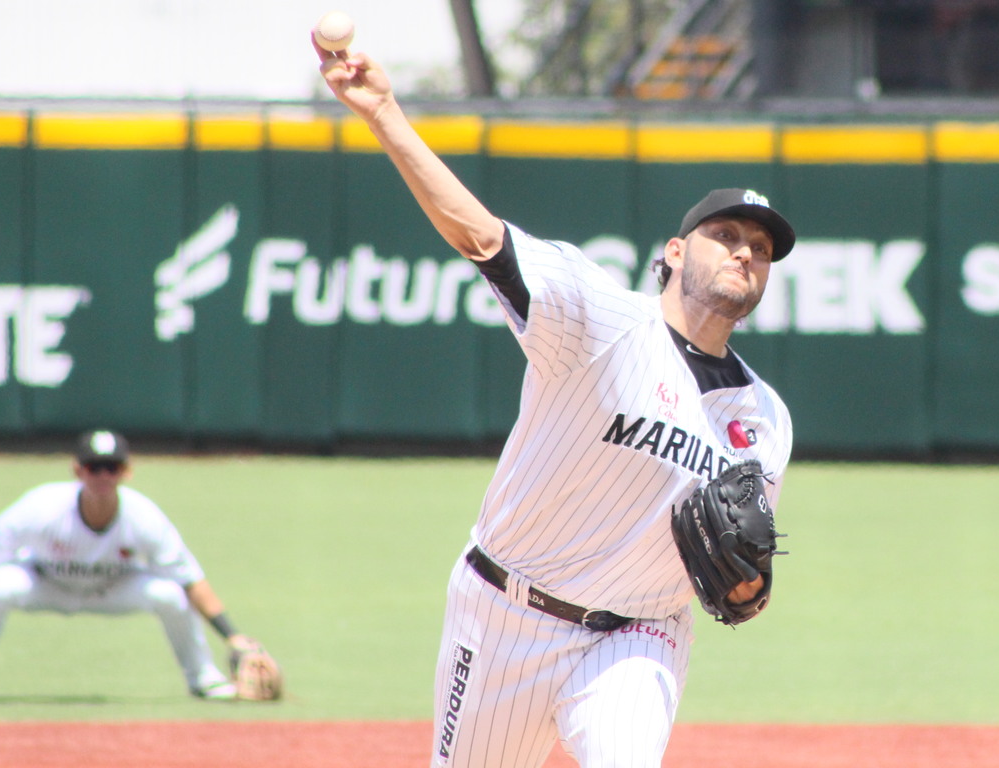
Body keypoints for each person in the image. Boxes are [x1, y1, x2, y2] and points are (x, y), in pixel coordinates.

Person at [314, 38, 795, 768]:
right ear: (673, 251)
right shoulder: (600, 318)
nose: (744, 253)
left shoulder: (764, 417)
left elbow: (742, 566)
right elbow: (479, 235)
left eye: (760, 248)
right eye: (725, 235)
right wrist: (384, 112)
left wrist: (751, 585)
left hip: (639, 636)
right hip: (506, 612)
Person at [0, 430, 256, 700]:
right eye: (94, 467)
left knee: (169, 595)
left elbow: (189, 579)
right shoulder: (41, 506)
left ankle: (204, 679)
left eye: (112, 467)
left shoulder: (143, 516)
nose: (103, 476)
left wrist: (233, 636)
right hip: (47, 583)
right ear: (77, 470)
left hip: (111, 589)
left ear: (126, 472)